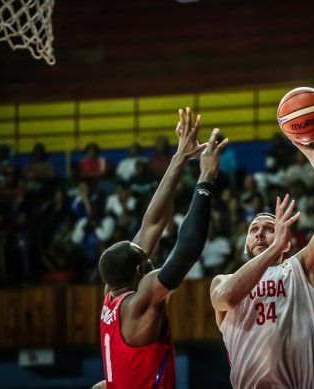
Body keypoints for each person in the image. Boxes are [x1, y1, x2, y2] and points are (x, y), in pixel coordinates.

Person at [92, 108, 228, 389]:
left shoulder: (112, 296)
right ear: (141, 270)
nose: (148, 252)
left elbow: (151, 224)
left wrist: (179, 158)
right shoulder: (139, 305)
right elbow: (187, 251)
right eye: (145, 257)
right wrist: (205, 179)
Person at [210, 126, 314, 389]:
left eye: (269, 228)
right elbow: (224, 298)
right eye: (254, 230)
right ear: (245, 244)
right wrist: (275, 247)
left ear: (285, 242)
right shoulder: (223, 280)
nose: (261, 232)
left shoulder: (302, 268)